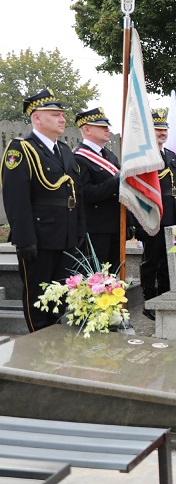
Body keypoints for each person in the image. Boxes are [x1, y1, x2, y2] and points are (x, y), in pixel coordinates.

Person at [2, 88, 84, 332]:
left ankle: (56, 341)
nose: (62, 119)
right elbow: (16, 200)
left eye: (62, 114)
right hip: (39, 237)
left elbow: (76, 195)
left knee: (60, 295)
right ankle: (37, 346)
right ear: (37, 117)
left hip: (66, 236)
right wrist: (25, 240)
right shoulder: (22, 149)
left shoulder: (66, 151)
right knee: (39, 296)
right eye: (55, 114)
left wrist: (80, 231)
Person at [140, 111, 176, 318]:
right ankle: (149, 300)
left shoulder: (172, 156)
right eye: (158, 129)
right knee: (152, 260)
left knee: (169, 260)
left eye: (165, 129)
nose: (163, 133)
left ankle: (165, 297)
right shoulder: (144, 157)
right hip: (154, 216)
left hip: (173, 216)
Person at [73, 107, 122, 269]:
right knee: (96, 277)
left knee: (113, 277)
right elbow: (86, 194)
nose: (107, 129)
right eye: (101, 126)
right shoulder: (79, 157)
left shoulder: (109, 155)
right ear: (86, 129)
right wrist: (115, 181)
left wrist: (127, 223)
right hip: (96, 229)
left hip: (115, 225)